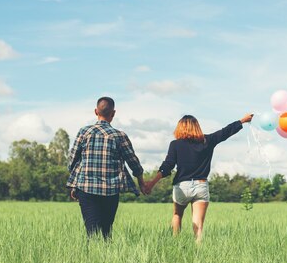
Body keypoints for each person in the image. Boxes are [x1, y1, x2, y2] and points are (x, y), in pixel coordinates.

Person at [145, 113, 253, 242]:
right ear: (197, 127)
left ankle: (175, 243)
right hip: (201, 186)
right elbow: (225, 132)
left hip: (182, 187)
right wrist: (242, 121)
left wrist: (152, 183)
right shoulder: (208, 140)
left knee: (177, 214)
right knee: (199, 226)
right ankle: (199, 252)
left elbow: (167, 166)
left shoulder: (175, 144)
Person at [67, 97, 147, 239]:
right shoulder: (119, 135)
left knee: (91, 232)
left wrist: (74, 185)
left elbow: (72, 160)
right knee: (106, 232)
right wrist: (141, 181)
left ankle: (92, 260)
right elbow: (133, 161)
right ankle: (105, 259)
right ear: (113, 113)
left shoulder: (84, 132)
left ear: (96, 111)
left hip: (86, 188)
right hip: (110, 190)